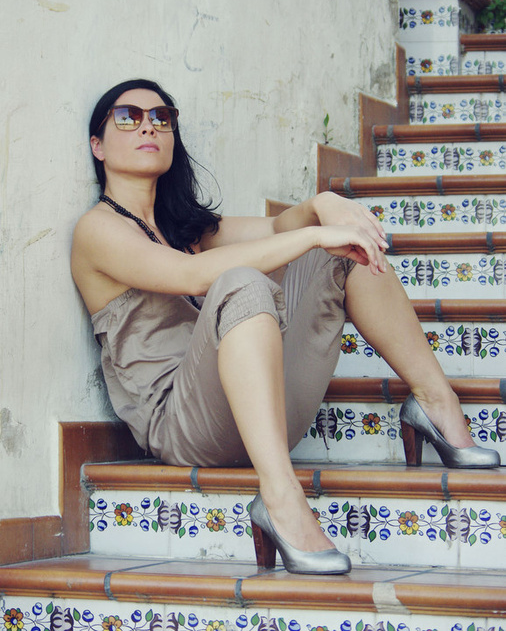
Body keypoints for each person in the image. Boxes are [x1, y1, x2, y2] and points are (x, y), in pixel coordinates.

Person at [71, 78, 500, 576]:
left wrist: (323, 205)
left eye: (161, 117)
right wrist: (316, 232)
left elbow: (278, 227)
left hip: (265, 417)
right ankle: (280, 499)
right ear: (97, 145)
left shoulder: (187, 229)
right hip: (183, 429)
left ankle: (435, 402)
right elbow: (192, 276)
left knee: (347, 252)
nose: (148, 126)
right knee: (242, 282)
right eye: (128, 117)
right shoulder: (97, 230)